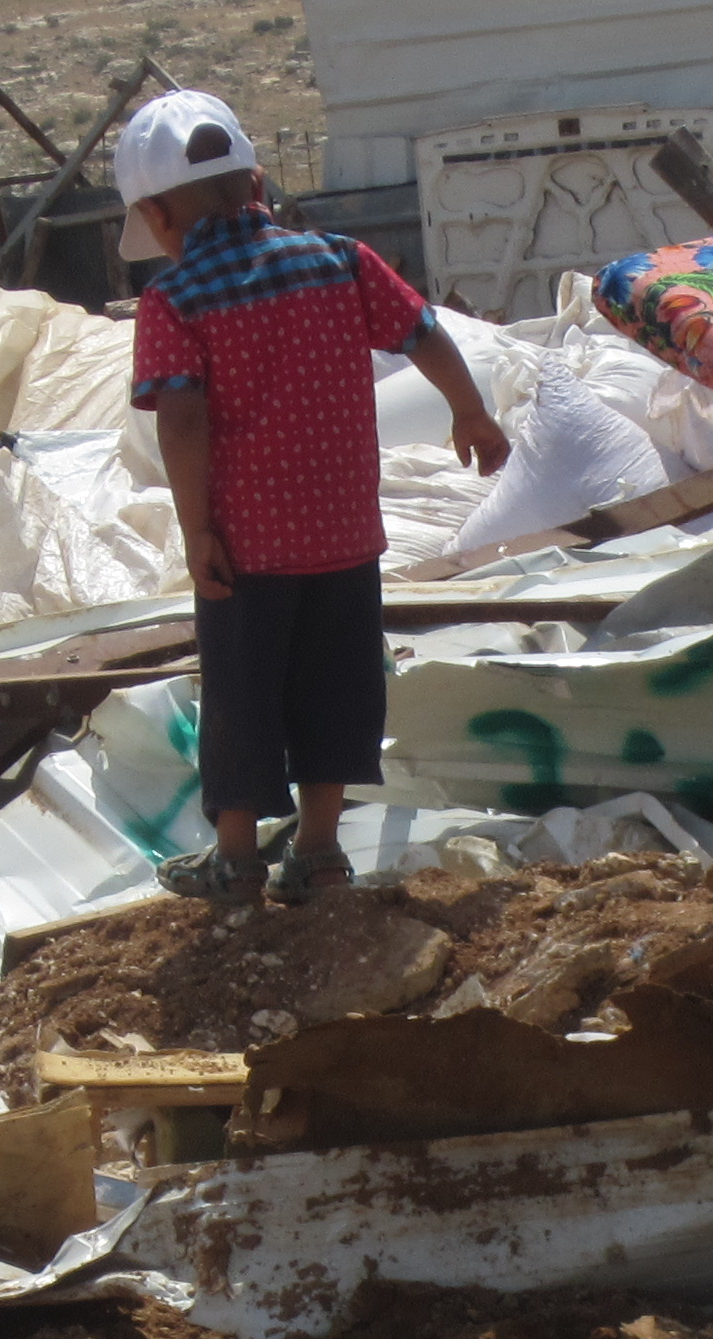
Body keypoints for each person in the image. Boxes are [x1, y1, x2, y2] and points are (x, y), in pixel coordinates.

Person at [119, 88, 508, 907]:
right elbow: (425, 331)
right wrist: (471, 412)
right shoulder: (338, 260)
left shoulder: (177, 298)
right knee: (337, 689)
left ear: (156, 216)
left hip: (248, 548)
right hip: (345, 535)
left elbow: (183, 421)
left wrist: (197, 533)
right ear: (257, 184)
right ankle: (322, 851)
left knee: (242, 694)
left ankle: (234, 861)